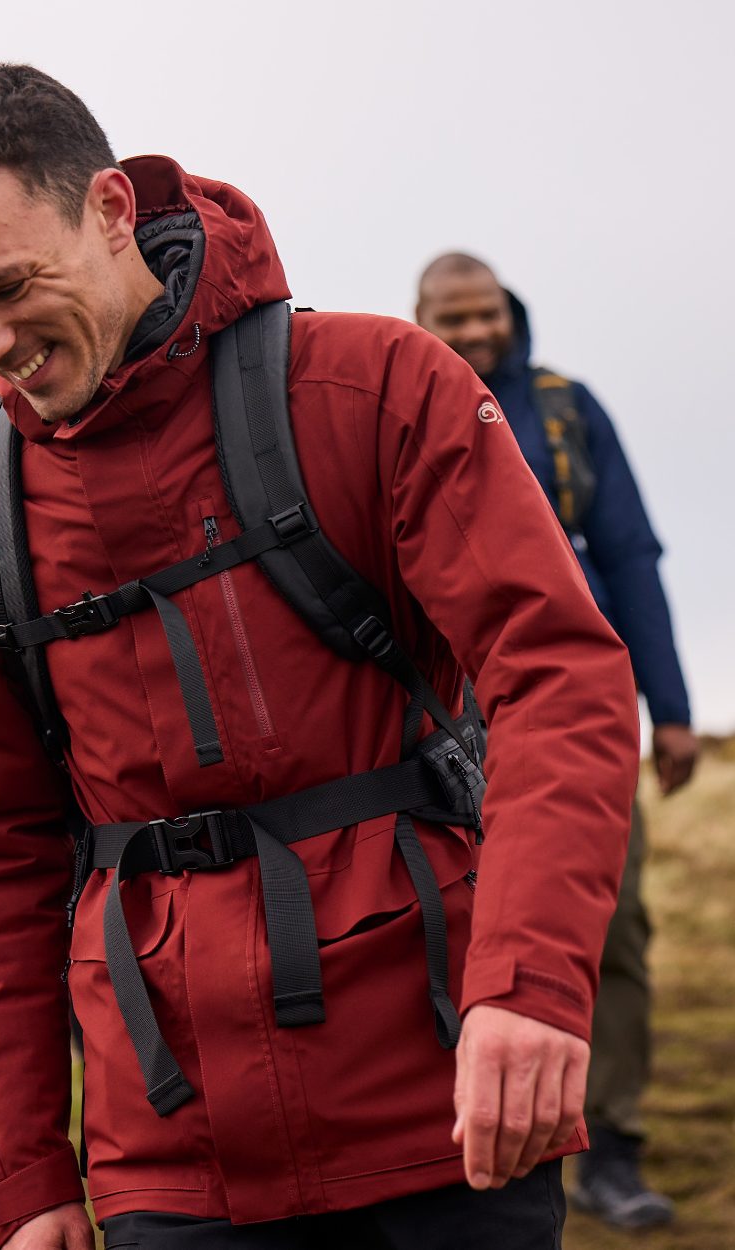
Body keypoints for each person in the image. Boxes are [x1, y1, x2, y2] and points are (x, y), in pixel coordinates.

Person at [0, 64, 639, 1250]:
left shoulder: (372, 388)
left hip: (444, 1112)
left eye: (7, 287)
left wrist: (529, 988)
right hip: (167, 1169)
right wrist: (24, 1184)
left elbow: (557, 673)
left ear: (113, 211)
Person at [416, 253, 699, 1229]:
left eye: (484, 312)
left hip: (578, 713)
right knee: (456, 929)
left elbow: (629, 555)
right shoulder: (395, 410)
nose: (472, 332)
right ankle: (460, 1138)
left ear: (510, 310)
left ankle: (608, 1144)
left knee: (607, 925)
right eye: (450, 317)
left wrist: (667, 706)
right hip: (443, 727)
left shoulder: (570, 414)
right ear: (420, 319)